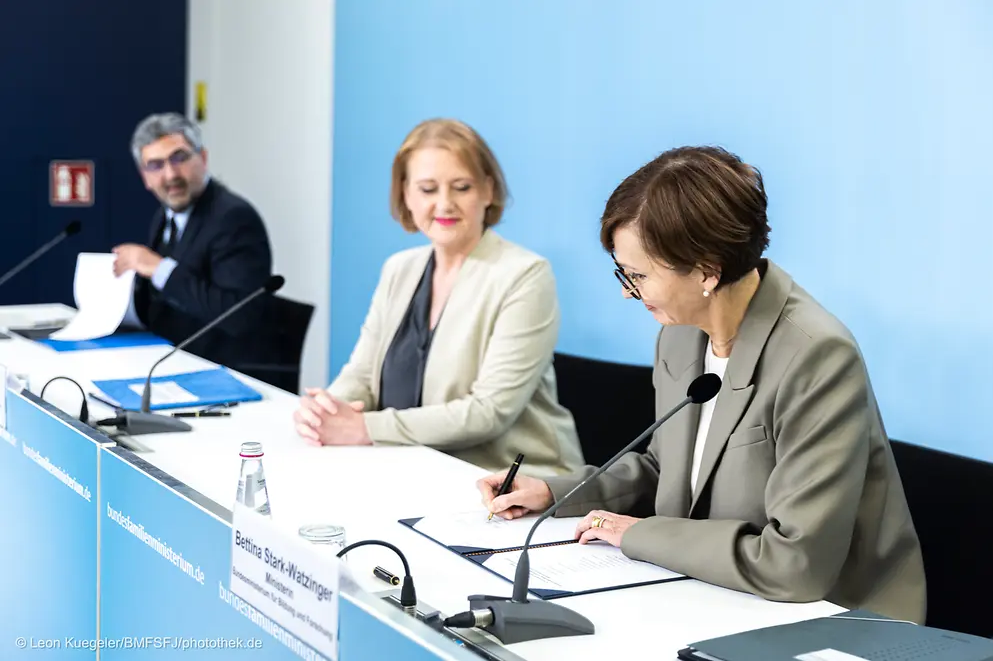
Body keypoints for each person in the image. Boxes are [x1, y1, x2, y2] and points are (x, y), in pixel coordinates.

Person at [477, 146, 926, 622]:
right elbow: (667, 470)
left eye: (638, 276)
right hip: (708, 593)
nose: (628, 292)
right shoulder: (678, 334)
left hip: (827, 618)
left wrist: (638, 534)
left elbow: (797, 563)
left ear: (708, 270)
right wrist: (555, 493)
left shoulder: (817, 356)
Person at [292, 118, 584, 477]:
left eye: (461, 187)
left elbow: (488, 411)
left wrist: (365, 428)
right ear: (406, 195)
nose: (444, 204)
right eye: (428, 189)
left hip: (510, 485)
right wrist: (326, 410)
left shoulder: (524, 275)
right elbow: (364, 375)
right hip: (413, 469)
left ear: (488, 190)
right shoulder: (399, 268)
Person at [113, 112, 274, 371]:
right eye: (155, 165)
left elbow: (238, 316)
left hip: (219, 369)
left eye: (179, 158)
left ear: (203, 158)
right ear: (145, 177)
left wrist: (158, 268)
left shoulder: (233, 217)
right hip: (167, 358)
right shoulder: (165, 215)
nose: (170, 175)